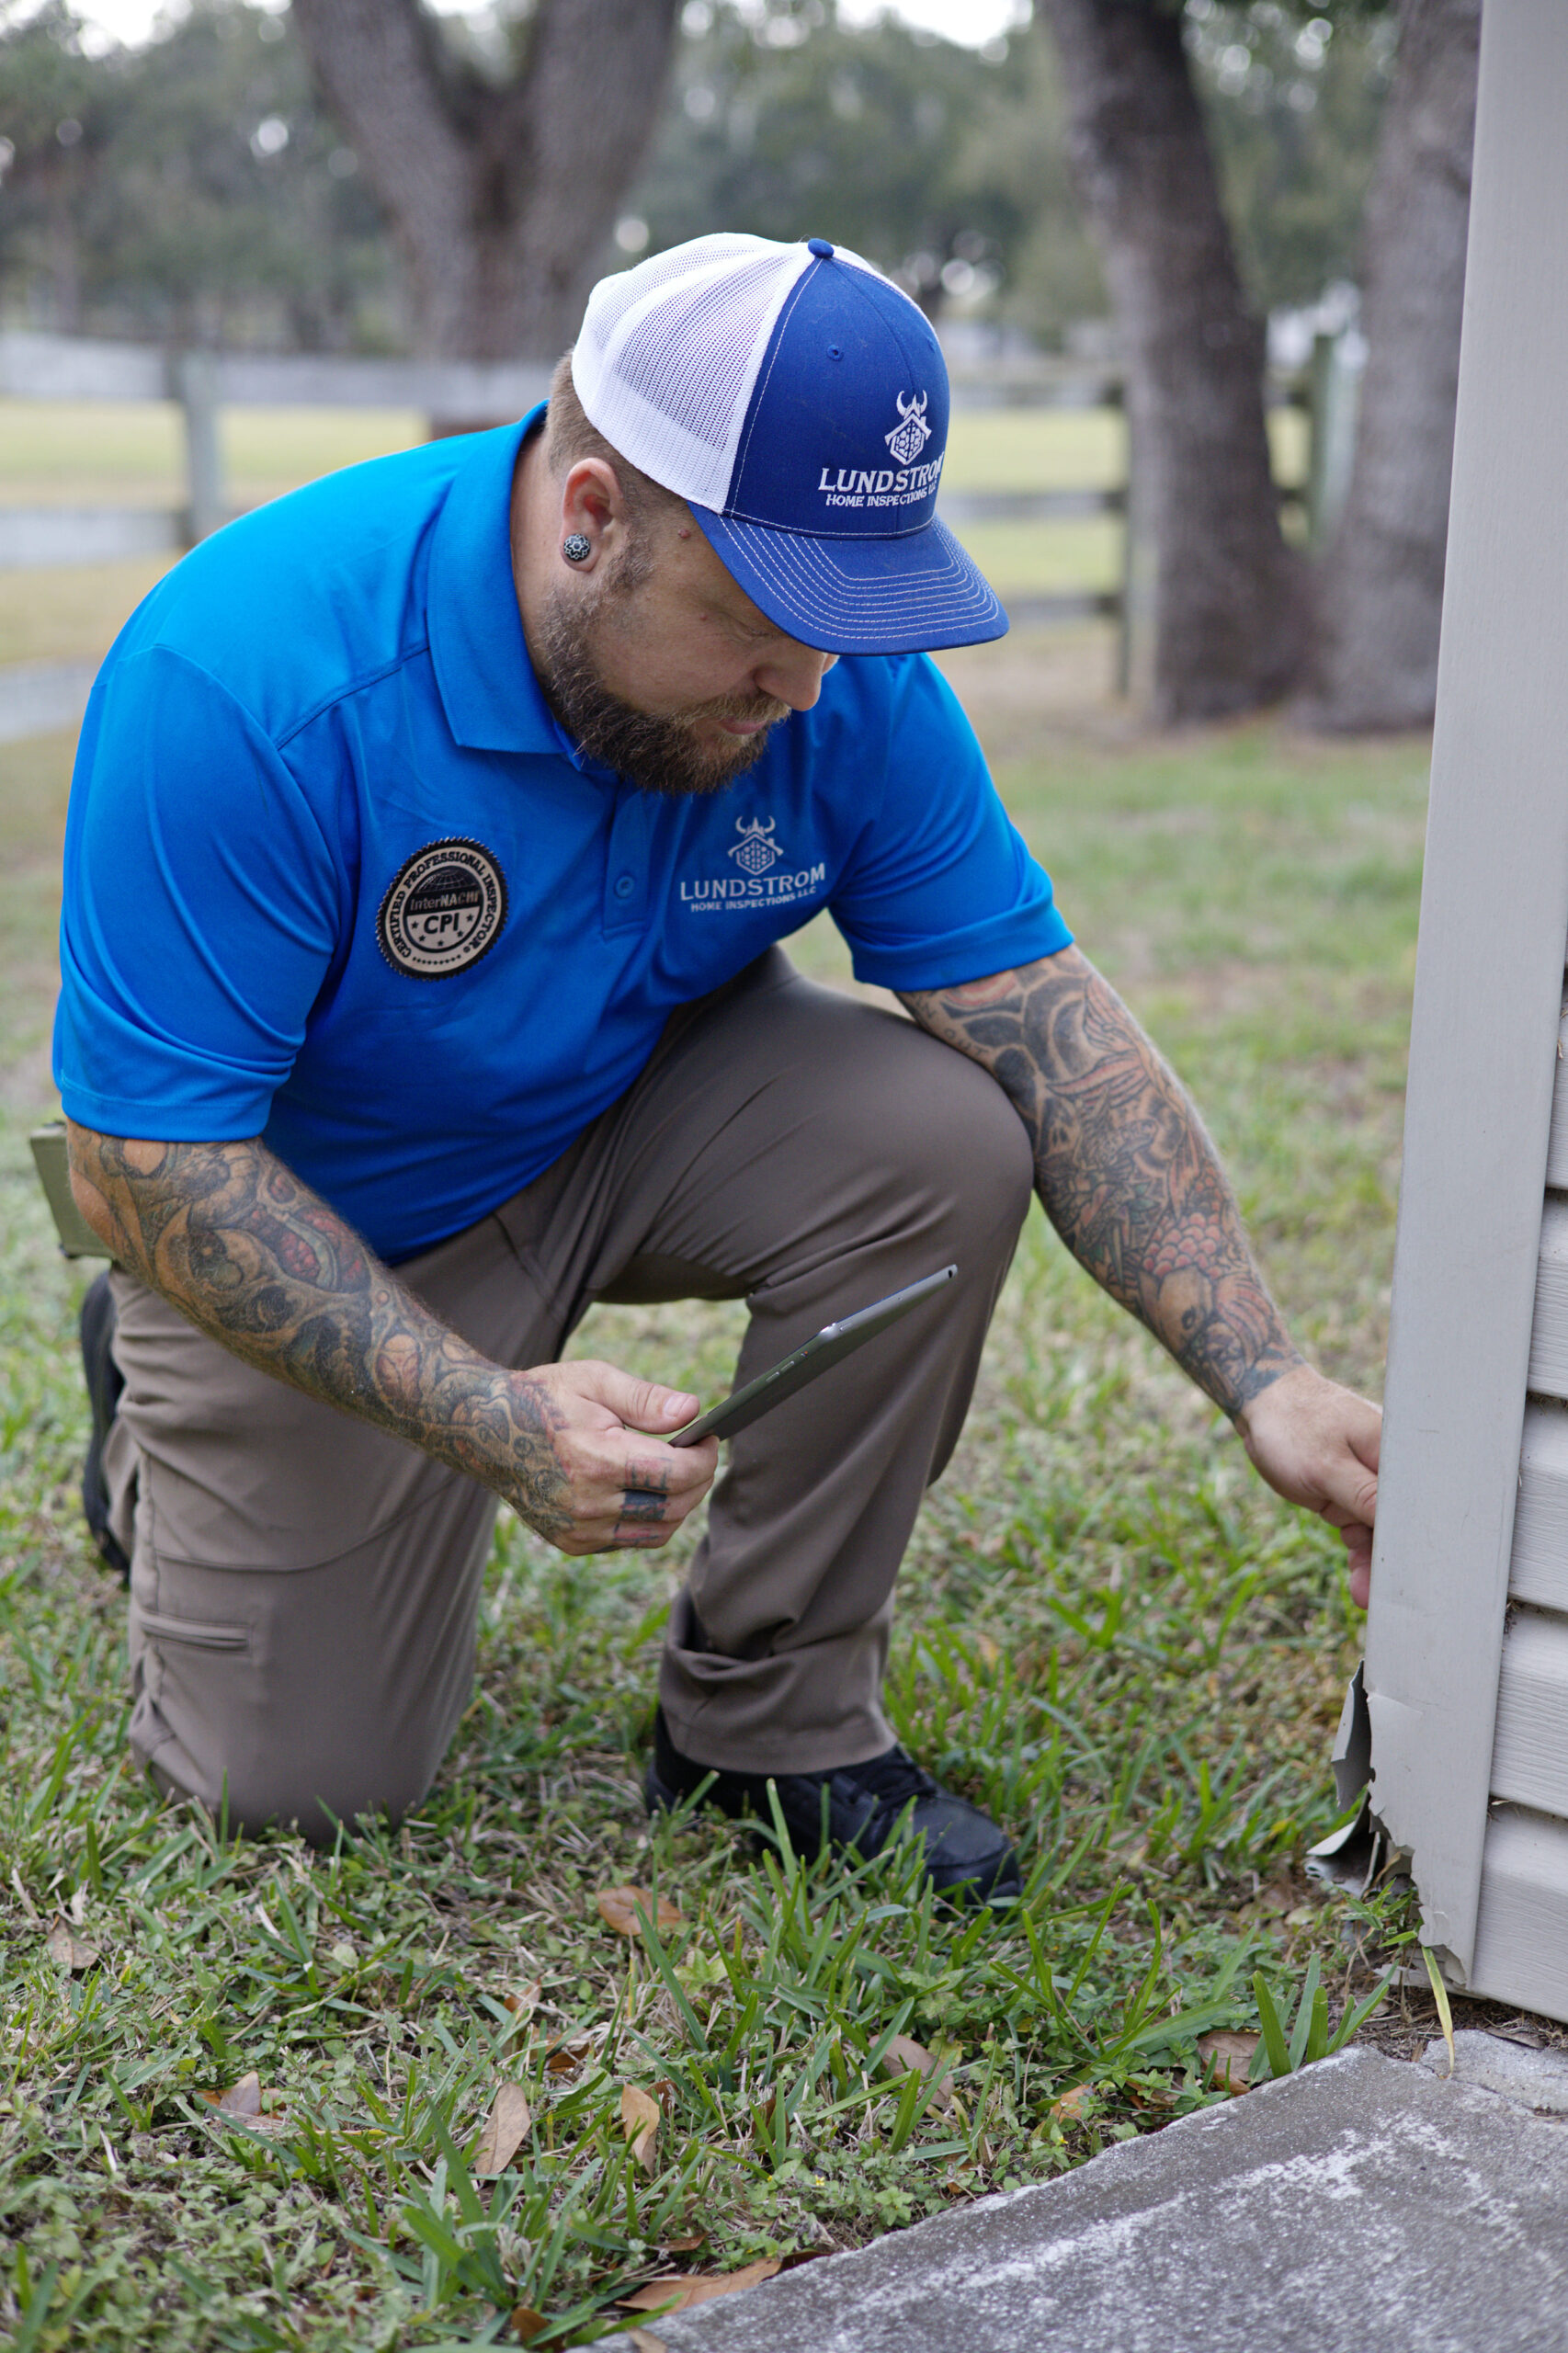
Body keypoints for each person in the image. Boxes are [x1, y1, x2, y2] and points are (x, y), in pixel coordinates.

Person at [55, 233, 1381, 1902]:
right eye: (765, 620)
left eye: (852, 619)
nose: (812, 683)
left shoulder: (839, 687)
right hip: (327, 1212)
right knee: (302, 1783)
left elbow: (1046, 1020)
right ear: (591, 518)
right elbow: (144, 1163)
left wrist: (1267, 1378)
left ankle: (766, 1722)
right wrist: (484, 1410)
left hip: (613, 1118)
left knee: (943, 1134)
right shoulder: (242, 679)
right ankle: (152, 1394)